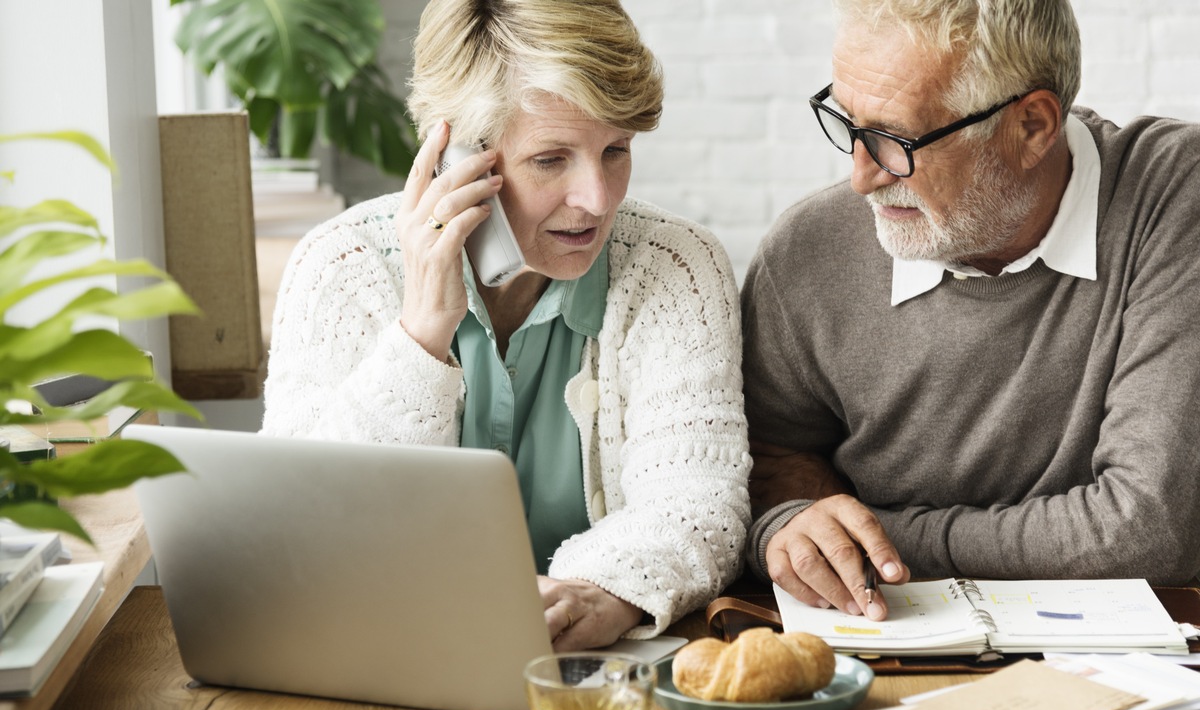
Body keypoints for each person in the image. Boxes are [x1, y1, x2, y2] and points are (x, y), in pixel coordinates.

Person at [261, 0, 750, 650]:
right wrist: (419, 337)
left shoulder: (675, 267)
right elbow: (297, 527)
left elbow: (699, 501)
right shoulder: (339, 268)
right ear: (457, 153)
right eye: (551, 160)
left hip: (595, 670)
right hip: (392, 665)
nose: (597, 200)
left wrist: (598, 591)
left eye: (616, 150)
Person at [742, 0, 1200, 622]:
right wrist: (796, 526)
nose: (861, 178)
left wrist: (877, 539)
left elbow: (1149, 528)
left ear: (1033, 127)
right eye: (848, 123)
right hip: (885, 642)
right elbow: (763, 468)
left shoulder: (1173, 197)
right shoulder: (804, 255)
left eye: (895, 140)